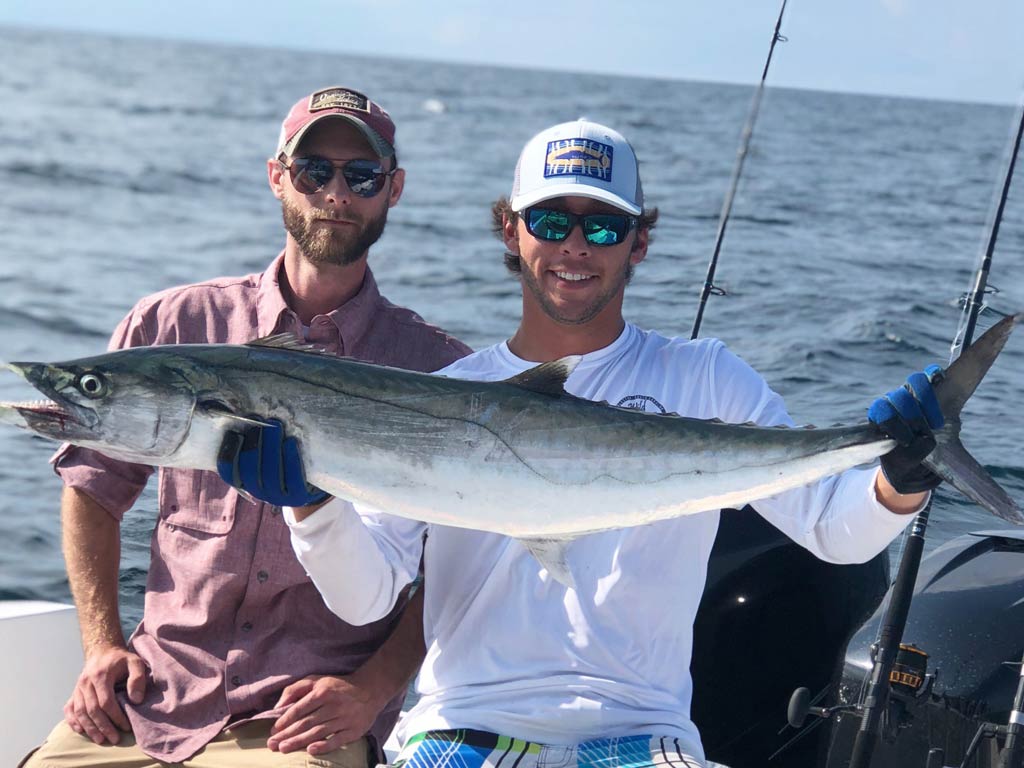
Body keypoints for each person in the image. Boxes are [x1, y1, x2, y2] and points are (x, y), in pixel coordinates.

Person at [223, 119, 944, 768]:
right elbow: (365, 597)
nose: (574, 246)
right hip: (459, 728)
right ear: (511, 231)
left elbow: (836, 531)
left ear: (640, 241)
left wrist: (902, 477)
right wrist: (313, 507)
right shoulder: (447, 393)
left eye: (602, 227)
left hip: (644, 734)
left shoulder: (705, 380)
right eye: (550, 221)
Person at [21, 86, 471, 768]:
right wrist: (102, 644)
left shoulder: (439, 369)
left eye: (361, 175)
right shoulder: (173, 325)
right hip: (155, 695)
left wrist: (371, 689)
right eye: (314, 171)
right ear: (277, 177)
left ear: (393, 189)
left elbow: (454, 567)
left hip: (304, 718)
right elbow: (92, 488)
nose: (335, 194)